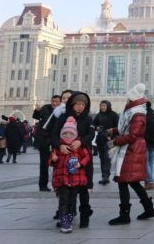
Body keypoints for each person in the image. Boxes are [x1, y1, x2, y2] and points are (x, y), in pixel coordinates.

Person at [106, 83, 154, 225]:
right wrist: (114, 130)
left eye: (128, 98)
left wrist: (115, 142)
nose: (126, 101)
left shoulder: (137, 114)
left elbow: (133, 135)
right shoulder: (133, 112)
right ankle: (148, 208)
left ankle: (124, 215)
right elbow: (126, 129)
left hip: (131, 150)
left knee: (123, 181)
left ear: (133, 99)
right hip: (131, 149)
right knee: (133, 182)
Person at [51, 91, 95, 228]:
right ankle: (65, 214)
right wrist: (60, 145)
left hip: (83, 155)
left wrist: (81, 142)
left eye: (83, 104)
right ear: (72, 104)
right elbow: (54, 134)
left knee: (84, 187)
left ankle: (84, 216)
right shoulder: (63, 117)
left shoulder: (88, 119)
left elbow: (91, 134)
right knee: (66, 187)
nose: (80, 107)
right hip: (65, 156)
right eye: (78, 104)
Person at [33, 95, 61, 190]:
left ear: (60, 102)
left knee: (58, 163)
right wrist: (37, 110)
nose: (54, 103)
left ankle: (58, 184)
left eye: (57, 101)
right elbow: (36, 116)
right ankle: (43, 185)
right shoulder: (45, 108)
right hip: (44, 140)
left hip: (56, 140)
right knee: (44, 164)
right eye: (53, 101)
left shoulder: (62, 111)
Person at [93, 100, 119, 185]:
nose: (103, 107)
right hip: (100, 139)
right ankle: (103, 176)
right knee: (102, 158)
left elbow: (118, 127)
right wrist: (97, 128)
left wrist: (111, 132)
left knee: (107, 158)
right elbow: (93, 125)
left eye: (104, 106)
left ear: (108, 106)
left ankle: (105, 176)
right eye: (101, 106)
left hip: (110, 139)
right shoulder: (99, 115)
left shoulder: (114, 115)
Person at [144, 101, 154, 190]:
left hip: (145, 142)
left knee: (145, 163)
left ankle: (150, 181)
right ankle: (148, 180)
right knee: (150, 163)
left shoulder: (144, 117)